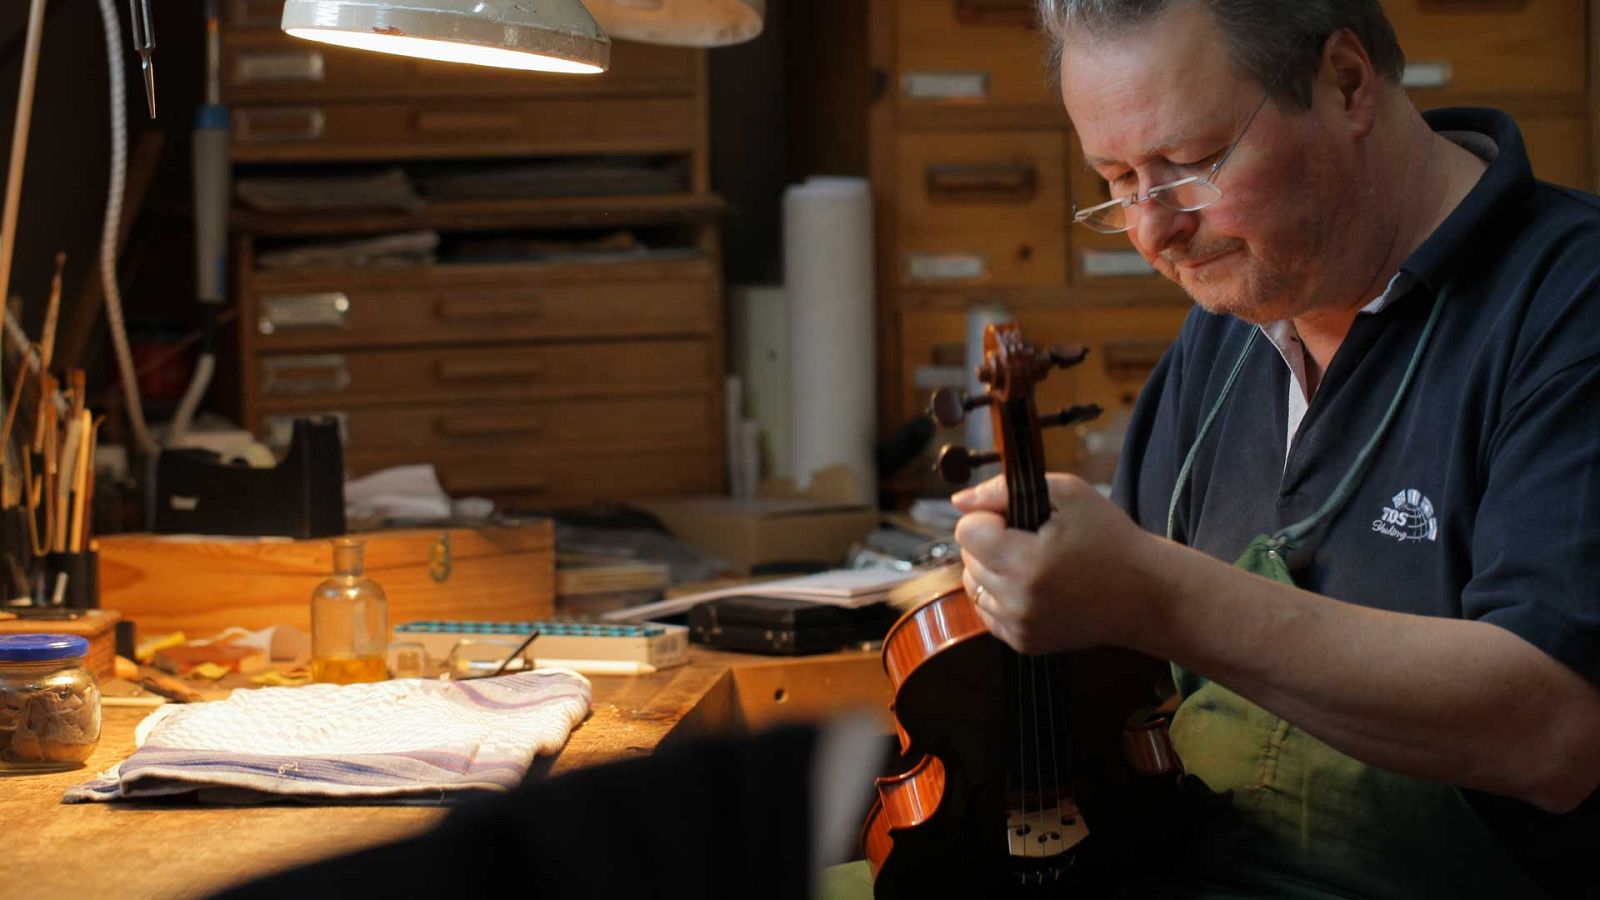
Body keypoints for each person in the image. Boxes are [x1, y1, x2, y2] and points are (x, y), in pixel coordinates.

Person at [945, 0, 1600, 896]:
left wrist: (1151, 591)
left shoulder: (1571, 305)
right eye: (1116, 180)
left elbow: (1556, 731)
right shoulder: (1226, 330)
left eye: (1188, 165)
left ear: (1346, 82)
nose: (1150, 230)